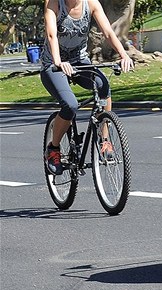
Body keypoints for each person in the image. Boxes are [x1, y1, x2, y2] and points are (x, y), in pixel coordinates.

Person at [41, 0, 134, 175]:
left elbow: (107, 31)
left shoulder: (90, 3)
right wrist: (58, 62)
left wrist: (123, 55)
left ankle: (104, 140)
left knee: (103, 87)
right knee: (70, 105)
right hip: (53, 64)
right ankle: (53, 149)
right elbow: (51, 34)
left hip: (79, 62)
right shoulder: (54, 3)